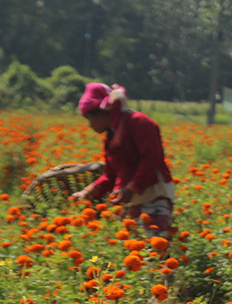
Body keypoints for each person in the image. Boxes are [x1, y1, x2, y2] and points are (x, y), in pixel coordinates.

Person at [70, 83, 176, 235]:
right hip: (130, 197)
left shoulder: (138, 122)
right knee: (132, 248)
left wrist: (131, 188)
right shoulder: (112, 135)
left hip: (153, 194)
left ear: (101, 114)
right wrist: (87, 191)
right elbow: (111, 174)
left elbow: (151, 160)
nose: (90, 125)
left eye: (89, 119)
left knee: (153, 250)